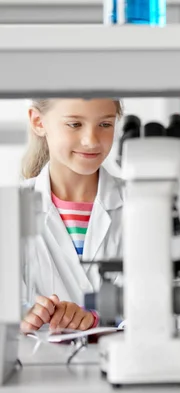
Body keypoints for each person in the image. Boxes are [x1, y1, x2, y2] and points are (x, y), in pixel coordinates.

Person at [20, 98, 123, 333]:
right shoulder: (10, 209)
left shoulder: (142, 205)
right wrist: (21, 317)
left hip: (123, 365)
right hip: (38, 366)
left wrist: (96, 319)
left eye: (105, 124)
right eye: (75, 124)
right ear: (38, 122)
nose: (91, 140)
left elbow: (157, 305)